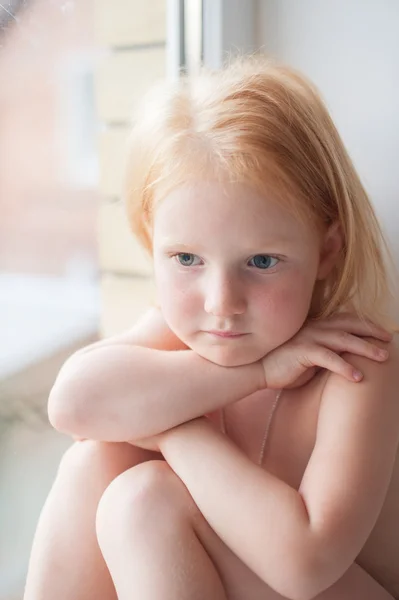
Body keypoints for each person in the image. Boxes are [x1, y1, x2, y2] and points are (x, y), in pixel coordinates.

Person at [23, 54, 399, 600]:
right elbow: (72, 404)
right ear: (153, 243)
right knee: (95, 461)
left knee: (146, 498)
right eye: (186, 259)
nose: (222, 304)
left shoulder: (355, 361)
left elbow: (305, 565)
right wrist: (258, 372)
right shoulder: (178, 333)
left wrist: (173, 428)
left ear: (327, 249)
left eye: (262, 262)